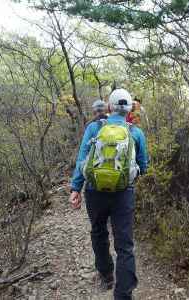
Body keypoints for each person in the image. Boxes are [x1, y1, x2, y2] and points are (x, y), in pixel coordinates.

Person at [69, 89, 148, 300]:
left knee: (98, 231)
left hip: (95, 192)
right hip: (123, 194)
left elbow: (82, 159)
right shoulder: (136, 132)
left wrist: (75, 188)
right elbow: (144, 165)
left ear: (110, 107)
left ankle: (106, 275)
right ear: (129, 109)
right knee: (125, 245)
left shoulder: (94, 128)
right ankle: (123, 294)